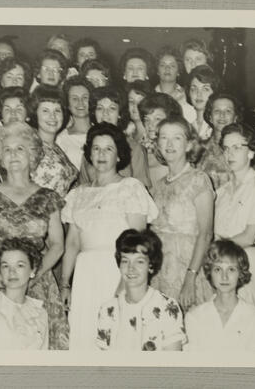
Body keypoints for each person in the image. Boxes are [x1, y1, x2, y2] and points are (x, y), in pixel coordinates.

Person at [0, 121, 69, 350]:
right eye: (7, 150)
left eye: (20, 148)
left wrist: (36, 274)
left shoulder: (48, 197)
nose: (13, 155)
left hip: (38, 279)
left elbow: (57, 245)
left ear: (32, 154)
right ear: (0, 157)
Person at [60, 122, 158, 350]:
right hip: (85, 276)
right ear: (89, 153)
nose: (101, 154)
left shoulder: (131, 187)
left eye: (108, 149)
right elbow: (73, 243)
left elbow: (139, 242)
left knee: (118, 336)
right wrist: (65, 283)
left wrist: (127, 283)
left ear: (119, 155)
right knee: (86, 336)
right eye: (96, 148)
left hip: (117, 271)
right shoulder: (77, 194)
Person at [214, 122, 255, 348]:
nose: (229, 153)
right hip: (220, 264)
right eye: (226, 148)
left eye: (237, 147)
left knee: (250, 333)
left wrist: (212, 251)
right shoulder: (220, 192)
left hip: (246, 263)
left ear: (251, 152)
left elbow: (249, 236)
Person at [150, 115, 215, 310]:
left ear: (188, 145)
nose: (169, 144)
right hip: (160, 270)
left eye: (177, 138)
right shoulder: (159, 186)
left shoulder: (199, 180)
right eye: (163, 137)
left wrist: (190, 278)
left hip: (188, 268)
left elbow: (206, 234)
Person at [96, 229, 186, 351]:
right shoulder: (108, 309)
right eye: (125, 261)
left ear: (151, 266)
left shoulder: (167, 307)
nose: (130, 268)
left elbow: (172, 363)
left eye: (139, 261)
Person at [184, 240, 255, 351]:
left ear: (240, 273)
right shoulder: (194, 317)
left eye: (231, 269)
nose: (224, 277)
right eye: (218, 269)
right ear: (210, 273)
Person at [0, 237, 49, 350]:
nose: (12, 272)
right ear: (0, 271)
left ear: (33, 270)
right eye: (6, 266)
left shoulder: (40, 313)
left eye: (20, 265)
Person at [79, 86, 151, 188]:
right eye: (100, 108)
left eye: (112, 108)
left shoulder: (134, 148)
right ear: (94, 113)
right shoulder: (90, 147)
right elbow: (83, 188)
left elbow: (142, 190)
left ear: (120, 114)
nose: (105, 113)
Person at [29, 85, 78, 197]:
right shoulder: (32, 146)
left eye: (57, 111)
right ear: (35, 114)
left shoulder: (55, 147)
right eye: (45, 111)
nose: (53, 116)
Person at [198, 92, 243, 189]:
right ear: (210, 117)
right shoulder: (199, 149)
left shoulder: (244, 149)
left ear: (235, 118)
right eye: (217, 111)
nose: (222, 115)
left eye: (228, 111)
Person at [137, 93, 183, 186]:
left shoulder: (179, 150)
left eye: (157, 119)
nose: (150, 125)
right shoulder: (139, 150)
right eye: (147, 119)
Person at [55, 76, 94, 170]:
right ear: (68, 104)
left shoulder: (102, 132)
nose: (80, 102)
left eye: (85, 98)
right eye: (75, 99)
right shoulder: (61, 139)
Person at [155, 45, 196, 123]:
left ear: (178, 71)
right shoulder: (149, 95)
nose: (167, 68)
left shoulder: (188, 96)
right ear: (157, 71)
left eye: (172, 66)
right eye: (163, 65)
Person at [185, 65, 221, 141]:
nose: (198, 94)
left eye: (205, 89)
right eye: (194, 89)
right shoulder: (186, 127)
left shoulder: (219, 125)